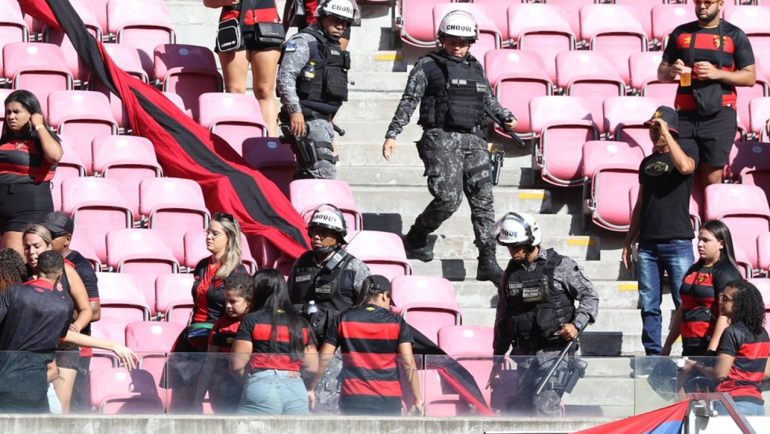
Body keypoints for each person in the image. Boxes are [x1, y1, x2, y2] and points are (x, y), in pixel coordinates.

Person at [381, 10, 517, 284]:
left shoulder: (475, 66)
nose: (458, 45)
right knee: (448, 199)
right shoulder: (427, 65)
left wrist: (505, 115)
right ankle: (418, 235)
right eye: (453, 39)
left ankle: (487, 261)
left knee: (483, 203)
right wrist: (393, 133)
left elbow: (487, 99)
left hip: (476, 140)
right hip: (441, 139)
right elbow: (410, 99)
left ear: (472, 42)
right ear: (442, 38)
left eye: (464, 41)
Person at [490, 212, 599, 416]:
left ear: (531, 241)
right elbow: (502, 318)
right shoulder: (509, 275)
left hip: (556, 353)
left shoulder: (561, 266)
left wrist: (576, 325)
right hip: (524, 356)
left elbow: (590, 296)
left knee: (544, 406)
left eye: (516, 245)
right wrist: (496, 360)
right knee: (522, 411)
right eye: (508, 246)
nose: (511, 250)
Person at [0, 251, 136, 414]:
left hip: (4, 383)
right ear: (59, 276)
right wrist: (112, 345)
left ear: (36, 271)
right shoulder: (62, 306)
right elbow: (67, 336)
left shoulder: (12, 293)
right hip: (36, 387)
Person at [622, 106, 698, 358]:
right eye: (652, 128)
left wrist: (668, 133)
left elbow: (686, 167)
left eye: (659, 128)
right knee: (649, 304)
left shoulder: (688, 151)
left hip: (678, 241)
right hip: (648, 245)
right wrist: (628, 241)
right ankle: (653, 357)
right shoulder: (646, 163)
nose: (654, 133)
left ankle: (689, 354)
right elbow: (641, 204)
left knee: (683, 302)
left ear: (671, 130)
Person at [658, 0, 755, 186]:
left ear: (720, 4)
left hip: (719, 115)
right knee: (679, 173)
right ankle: (684, 216)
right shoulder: (680, 32)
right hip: (685, 114)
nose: (702, 6)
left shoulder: (734, 34)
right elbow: (661, 73)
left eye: (708, 2)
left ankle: (711, 216)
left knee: (713, 177)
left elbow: (750, 77)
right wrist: (671, 71)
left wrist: (716, 74)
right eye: (698, 2)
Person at [166, 212, 248, 412]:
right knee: (182, 400)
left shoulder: (237, 272)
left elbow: (239, 311)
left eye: (215, 234)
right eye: (208, 232)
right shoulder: (202, 265)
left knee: (220, 402)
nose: (209, 237)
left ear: (229, 239)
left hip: (219, 341)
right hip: (193, 336)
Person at [311, 275, 423, 416]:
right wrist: (417, 400)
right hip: (388, 400)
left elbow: (324, 358)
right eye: (389, 301)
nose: (388, 304)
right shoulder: (397, 322)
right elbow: (408, 362)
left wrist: (310, 387)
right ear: (385, 295)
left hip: (352, 398)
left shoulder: (343, 318)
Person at [277, 0, 356, 179]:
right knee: (323, 175)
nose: (340, 26)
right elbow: (285, 78)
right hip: (307, 120)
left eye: (345, 22)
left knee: (309, 174)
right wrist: (295, 112)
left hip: (325, 121)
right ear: (321, 17)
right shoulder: (304, 41)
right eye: (335, 20)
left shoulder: (332, 46)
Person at [22, 223, 92, 414]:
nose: (31, 252)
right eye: (27, 247)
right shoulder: (20, 274)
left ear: (49, 246)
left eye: (37, 246)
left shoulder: (67, 272)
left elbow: (87, 309)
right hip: (33, 352)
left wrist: (76, 327)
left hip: (64, 348)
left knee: (60, 410)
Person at [231, 268, 318, 415]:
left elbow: (236, 365)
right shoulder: (300, 323)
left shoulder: (251, 320)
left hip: (261, 384)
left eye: (253, 287)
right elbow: (312, 367)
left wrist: (252, 381)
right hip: (295, 387)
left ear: (261, 290)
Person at [682, 279, 770, 416]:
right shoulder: (763, 333)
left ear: (739, 305)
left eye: (725, 299)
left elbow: (720, 373)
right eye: (721, 297)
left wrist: (695, 366)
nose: (720, 301)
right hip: (757, 405)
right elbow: (765, 372)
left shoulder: (732, 332)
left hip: (732, 402)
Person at [42, 211, 100, 413]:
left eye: (53, 235)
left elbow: (94, 311)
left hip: (76, 349)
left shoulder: (80, 267)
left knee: (74, 411)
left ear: (67, 239)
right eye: (45, 233)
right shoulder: (42, 263)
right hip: (50, 347)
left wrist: (69, 324)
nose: (47, 239)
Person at [288, 204, 370, 344]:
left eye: (324, 233)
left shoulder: (355, 268)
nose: (317, 237)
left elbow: (365, 312)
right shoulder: (301, 262)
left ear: (339, 237)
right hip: (301, 339)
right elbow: (288, 298)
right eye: (314, 232)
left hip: (337, 343)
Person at [661, 220, 743, 357]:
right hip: (689, 345)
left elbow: (727, 314)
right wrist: (668, 344)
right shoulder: (694, 270)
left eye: (706, 240)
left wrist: (712, 349)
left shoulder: (726, 272)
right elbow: (683, 308)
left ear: (721, 244)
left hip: (713, 346)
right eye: (699, 239)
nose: (699, 244)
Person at [204, 0, 282, 136]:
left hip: (268, 25)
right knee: (235, 91)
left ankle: (269, 144)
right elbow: (208, 2)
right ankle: (236, 139)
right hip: (233, 26)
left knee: (264, 90)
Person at [0, 90, 63, 256]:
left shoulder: (42, 139)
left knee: (11, 267)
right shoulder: (5, 142)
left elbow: (55, 155)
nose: (11, 117)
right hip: (3, 207)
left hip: (28, 206)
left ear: (32, 114)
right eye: (8, 112)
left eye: (16, 112)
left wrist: (39, 126)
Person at [192, 272, 254, 413]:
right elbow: (210, 364)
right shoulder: (220, 325)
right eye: (226, 300)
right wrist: (197, 399)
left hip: (250, 385)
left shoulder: (256, 323)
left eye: (233, 301)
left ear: (248, 301)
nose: (228, 306)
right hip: (223, 387)